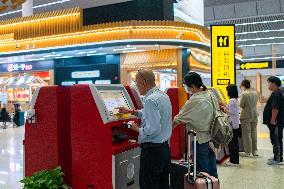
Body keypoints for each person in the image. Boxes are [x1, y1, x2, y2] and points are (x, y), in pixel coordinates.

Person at [117, 68, 172, 189]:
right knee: (163, 184)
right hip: (164, 150)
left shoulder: (150, 100)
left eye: (136, 83)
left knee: (148, 185)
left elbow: (153, 129)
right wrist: (131, 111)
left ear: (143, 83)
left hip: (152, 153)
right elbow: (150, 114)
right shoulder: (163, 96)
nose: (136, 87)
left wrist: (136, 129)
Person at [173, 72, 218, 178]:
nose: (185, 88)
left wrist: (165, 135)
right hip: (212, 138)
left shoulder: (194, 100)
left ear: (192, 86)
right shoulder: (210, 94)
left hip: (200, 140)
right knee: (212, 170)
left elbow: (177, 119)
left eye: (185, 85)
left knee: (202, 172)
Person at [263, 76, 284, 165]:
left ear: (274, 84)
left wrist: (272, 119)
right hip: (277, 121)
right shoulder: (278, 92)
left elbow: (275, 108)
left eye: (269, 83)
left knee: (276, 139)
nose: (268, 85)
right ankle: (276, 156)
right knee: (275, 138)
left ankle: (278, 158)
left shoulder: (276, 93)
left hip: (275, 122)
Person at [239, 79, 259, 157]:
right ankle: (255, 151)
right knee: (254, 132)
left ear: (243, 86)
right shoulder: (255, 93)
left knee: (246, 134)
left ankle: (248, 152)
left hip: (246, 115)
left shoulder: (244, 94)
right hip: (254, 114)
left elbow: (241, 105)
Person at [224, 85, 240, 166]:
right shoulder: (235, 100)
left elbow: (231, 112)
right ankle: (235, 160)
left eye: (227, 90)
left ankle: (233, 161)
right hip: (236, 123)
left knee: (232, 143)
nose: (226, 92)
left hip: (232, 124)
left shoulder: (232, 100)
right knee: (235, 143)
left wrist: (224, 108)